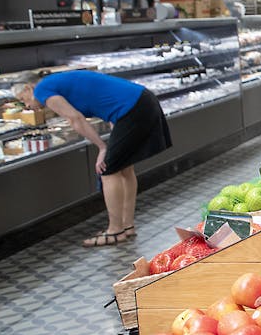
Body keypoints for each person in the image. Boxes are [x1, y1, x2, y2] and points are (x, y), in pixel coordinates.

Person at [13, 70, 172, 246]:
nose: (26, 105)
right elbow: (107, 98)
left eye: (23, 99)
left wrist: (102, 147)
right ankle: (127, 226)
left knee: (108, 171)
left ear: (29, 88)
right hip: (142, 101)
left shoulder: (42, 89)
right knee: (124, 168)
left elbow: (75, 119)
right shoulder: (55, 82)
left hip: (132, 109)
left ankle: (115, 230)